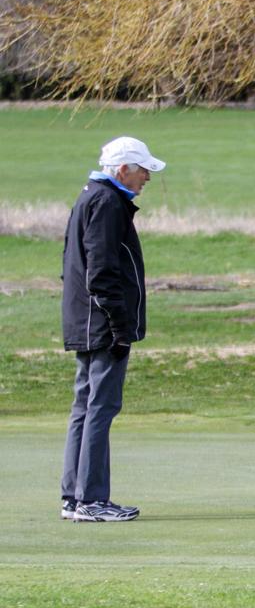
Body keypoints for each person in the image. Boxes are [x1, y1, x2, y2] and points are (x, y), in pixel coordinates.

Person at [60, 136, 165, 521]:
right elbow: (101, 271)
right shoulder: (107, 202)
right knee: (100, 408)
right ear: (123, 170)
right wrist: (120, 327)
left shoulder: (92, 196)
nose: (147, 178)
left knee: (85, 407)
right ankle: (91, 500)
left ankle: (74, 498)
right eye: (143, 171)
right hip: (101, 324)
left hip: (86, 321)